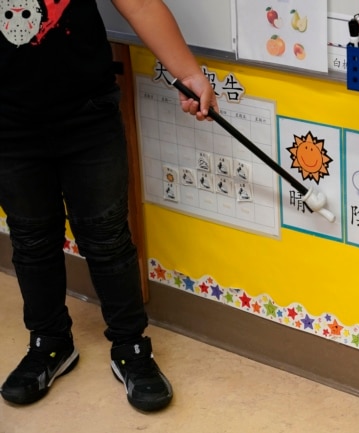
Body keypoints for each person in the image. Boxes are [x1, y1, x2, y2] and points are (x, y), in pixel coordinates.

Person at [0, 0, 217, 412]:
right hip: (8, 125)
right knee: (30, 235)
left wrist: (188, 73)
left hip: (87, 115)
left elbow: (139, 4)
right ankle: (49, 343)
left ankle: (131, 346)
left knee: (107, 236)